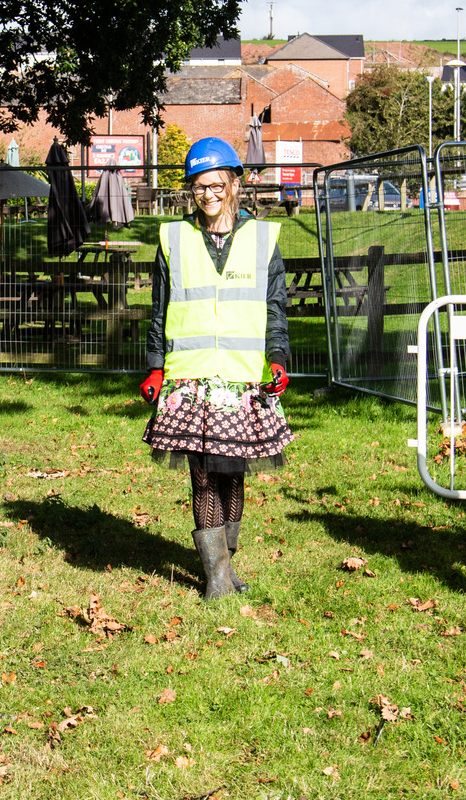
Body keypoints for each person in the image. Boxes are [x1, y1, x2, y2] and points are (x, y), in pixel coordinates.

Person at [141, 136, 294, 600]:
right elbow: (159, 307)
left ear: (234, 184)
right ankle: (215, 578)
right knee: (203, 474)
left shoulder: (263, 238)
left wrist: (278, 358)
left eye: (215, 185)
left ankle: (226, 566)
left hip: (242, 378)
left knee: (232, 473)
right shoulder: (174, 238)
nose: (207, 195)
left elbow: (275, 308)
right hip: (189, 378)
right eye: (199, 187)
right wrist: (153, 367)